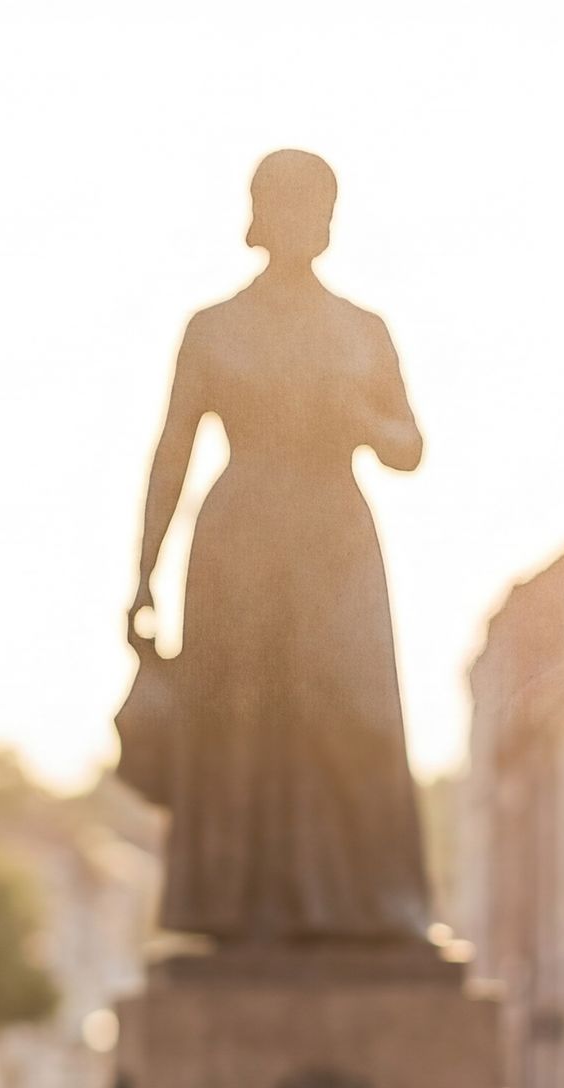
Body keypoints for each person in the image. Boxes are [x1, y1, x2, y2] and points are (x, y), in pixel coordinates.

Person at [124, 147, 436, 944]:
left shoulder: (361, 329)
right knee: (241, 726)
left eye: (317, 207)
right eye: (287, 204)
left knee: (353, 712)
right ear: (259, 214)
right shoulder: (215, 328)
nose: (304, 222)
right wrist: (144, 574)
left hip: (336, 540)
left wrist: (360, 419)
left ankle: (370, 905)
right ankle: (240, 909)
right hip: (241, 540)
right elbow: (172, 454)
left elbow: (410, 445)